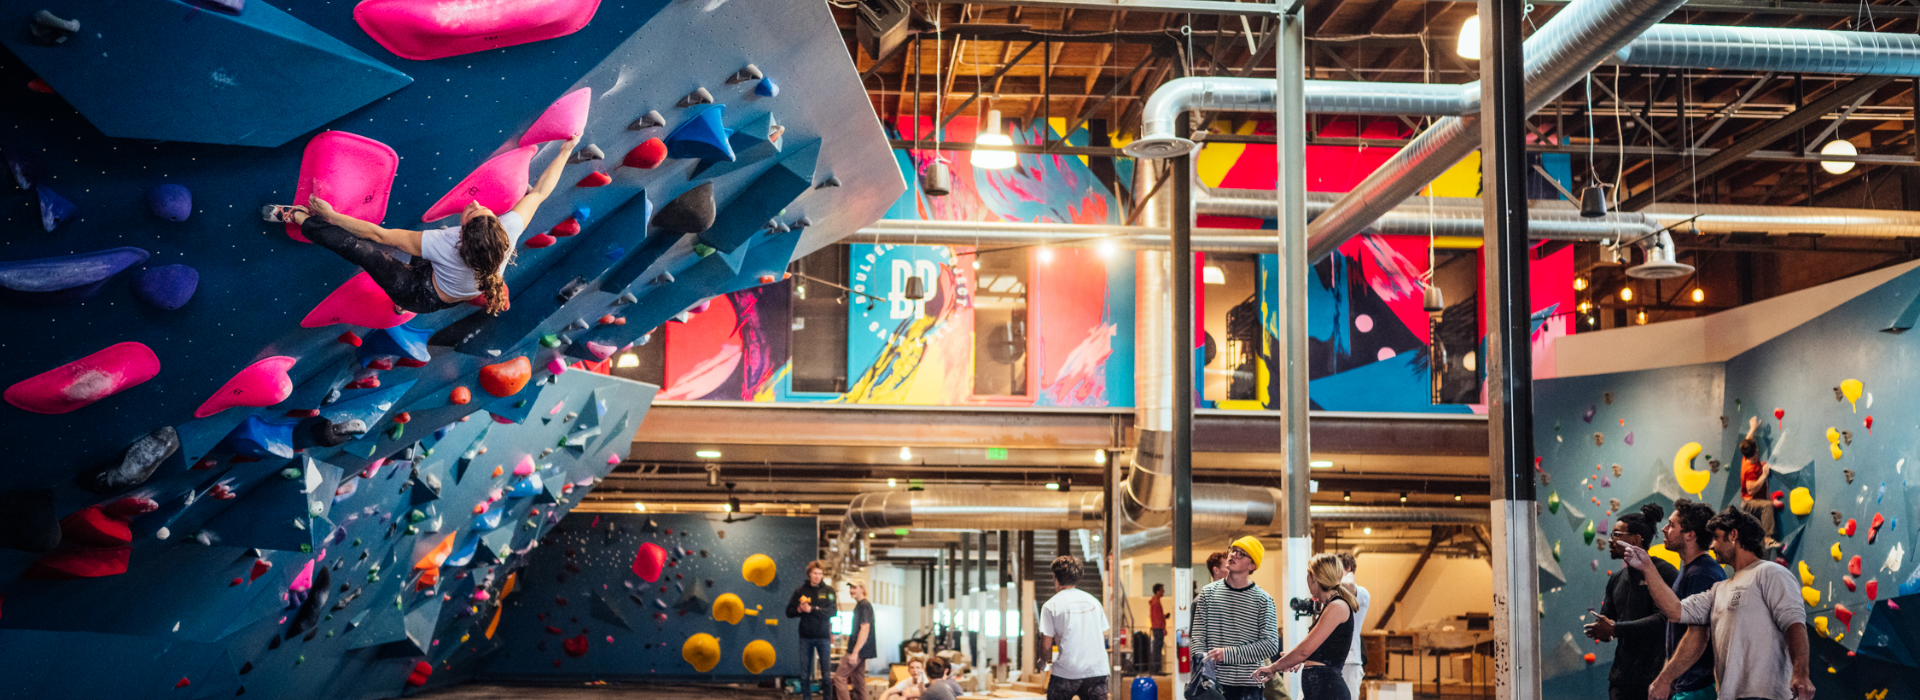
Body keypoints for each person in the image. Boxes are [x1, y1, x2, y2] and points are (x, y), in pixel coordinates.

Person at [262, 135, 578, 315]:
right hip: (448, 278)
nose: (475, 204)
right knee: (429, 241)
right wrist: (566, 151)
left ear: (462, 238)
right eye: (484, 212)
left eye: (472, 213)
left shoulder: (446, 245)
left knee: (365, 253)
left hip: (420, 294)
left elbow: (377, 235)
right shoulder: (507, 231)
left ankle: (298, 217)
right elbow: (539, 192)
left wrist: (330, 215)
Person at [1623, 507, 1814, 700]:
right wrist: (1647, 567)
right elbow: (1675, 610)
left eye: (1716, 537)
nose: (1712, 546)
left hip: (1768, 695)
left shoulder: (1770, 572)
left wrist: (1801, 674)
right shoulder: (1719, 590)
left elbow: (1794, 624)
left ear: (1733, 535)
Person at [1584, 504, 1679, 700]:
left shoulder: (1665, 573)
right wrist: (1602, 630)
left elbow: (1664, 620)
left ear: (1635, 540)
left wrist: (1615, 628)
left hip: (1655, 680)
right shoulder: (1616, 579)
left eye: (1617, 535)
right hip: (1621, 681)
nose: (1610, 540)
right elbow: (1610, 624)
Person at [1648, 499, 1730, 700]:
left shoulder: (1701, 574)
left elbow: (1698, 636)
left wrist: (1664, 679)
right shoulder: (1691, 571)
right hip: (1688, 686)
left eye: (1671, 525)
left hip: (1697, 688)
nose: (1665, 529)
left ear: (1690, 535)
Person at [1253, 553, 1357, 700]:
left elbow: (1304, 650)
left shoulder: (1337, 606)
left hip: (1328, 691)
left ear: (1313, 578)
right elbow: (1323, 649)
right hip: (1320, 689)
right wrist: (1295, 659)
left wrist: (1274, 667)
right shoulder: (1329, 605)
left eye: (1307, 575)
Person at [1192, 537, 1279, 700]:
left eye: (1241, 554)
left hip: (1249, 685)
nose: (1233, 555)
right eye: (1232, 550)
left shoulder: (1263, 600)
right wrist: (1202, 673)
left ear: (1252, 566)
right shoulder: (1207, 594)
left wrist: (1227, 654)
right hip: (1212, 685)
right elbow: (1198, 638)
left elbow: (1270, 645)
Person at [1039, 555, 1110, 700]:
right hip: (1097, 670)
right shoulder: (1094, 602)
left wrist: (1042, 662)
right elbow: (1101, 635)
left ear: (1056, 578)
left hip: (1067, 672)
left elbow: (1046, 646)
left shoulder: (1051, 605)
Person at [786, 561, 839, 700]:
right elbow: (789, 612)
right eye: (815, 573)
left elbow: (833, 611)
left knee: (826, 675)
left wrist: (812, 609)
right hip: (805, 637)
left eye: (820, 574)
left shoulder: (828, 591)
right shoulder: (800, 591)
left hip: (823, 637)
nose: (817, 576)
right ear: (809, 574)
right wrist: (799, 610)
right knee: (804, 675)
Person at [1736, 416, 1780, 550]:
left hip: (1754, 500)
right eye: (1755, 458)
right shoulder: (1749, 469)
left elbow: (1748, 440)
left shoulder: (1747, 450)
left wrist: (1752, 428)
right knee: (1768, 506)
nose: (1756, 457)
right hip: (1749, 502)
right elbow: (1750, 490)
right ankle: (1767, 539)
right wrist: (1764, 476)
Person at [1336, 552, 1371, 700]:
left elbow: (1348, 585)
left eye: (1336, 568)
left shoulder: (1361, 593)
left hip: (1349, 662)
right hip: (1329, 661)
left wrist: (1347, 577)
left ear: (1348, 569)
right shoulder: (1331, 593)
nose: (1332, 573)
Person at [837, 582, 877, 700]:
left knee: (839, 677)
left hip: (858, 650)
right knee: (858, 681)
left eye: (855, 588)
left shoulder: (864, 605)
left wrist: (854, 652)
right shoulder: (861, 605)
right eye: (851, 588)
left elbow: (865, 629)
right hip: (862, 650)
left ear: (862, 589)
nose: (852, 590)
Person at [1149, 583, 1168, 673]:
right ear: (1158, 591)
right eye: (1162, 589)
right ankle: (1157, 668)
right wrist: (1163, 628)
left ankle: (1156, 668)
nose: (1163, 591)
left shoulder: (1154, 601)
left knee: (1157, 648)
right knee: (1158, 648)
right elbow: (1157, 618)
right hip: (1158, 629)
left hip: (1156, 628)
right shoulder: (1156, 602)